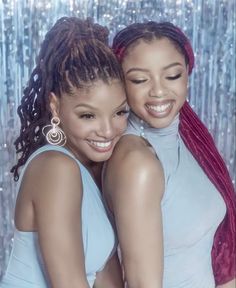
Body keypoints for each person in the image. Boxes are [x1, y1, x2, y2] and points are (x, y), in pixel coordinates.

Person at [103, 21, 236, 288]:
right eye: (140, 79)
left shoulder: (189, 138)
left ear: (188, 73)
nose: (159, 91)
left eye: (172, 75)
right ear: (119, 83)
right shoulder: (137, 163)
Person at [0, 17, 129, 288]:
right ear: (55, 107)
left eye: (119, 112)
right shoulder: (56, 168)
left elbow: (105, 274)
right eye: (88, 115)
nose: (107, 131)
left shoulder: (95, 168)